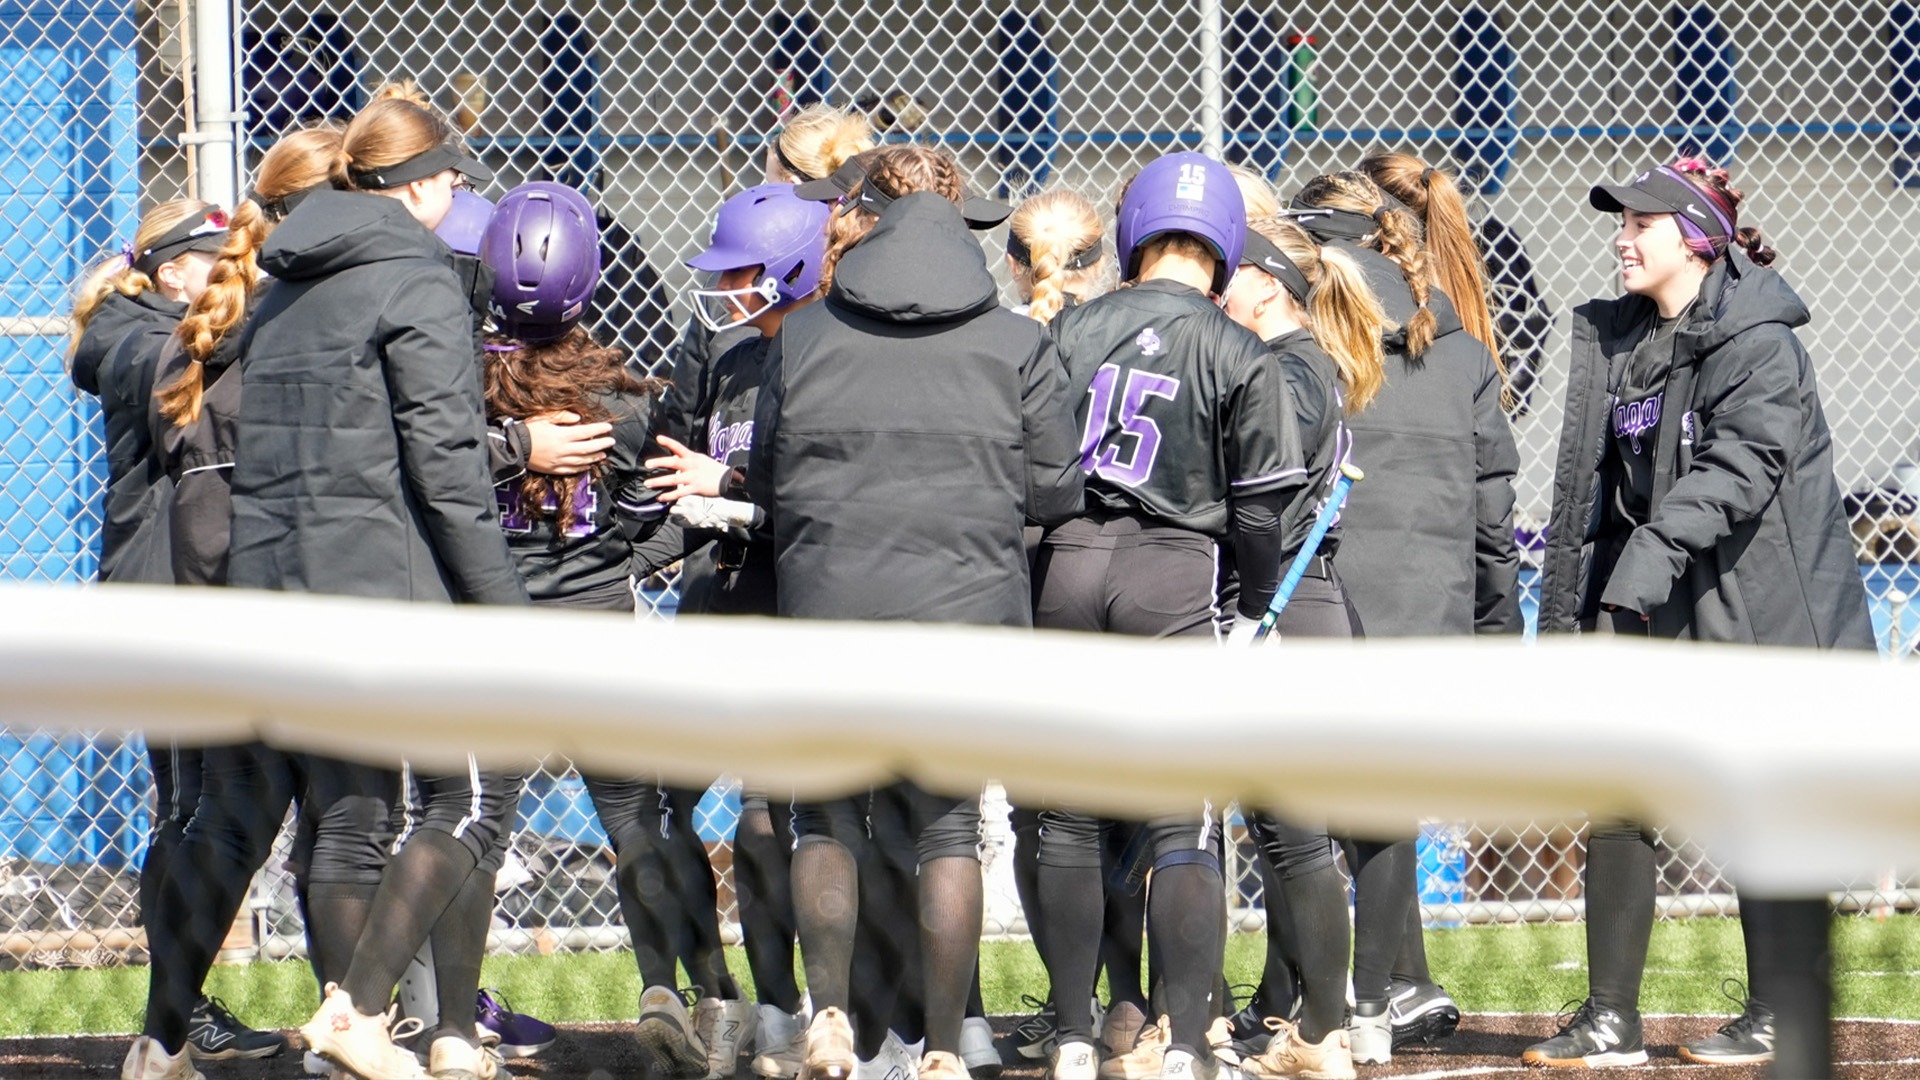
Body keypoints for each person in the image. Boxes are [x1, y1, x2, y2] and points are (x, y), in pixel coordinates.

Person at [1528, 158, 1874, 1070]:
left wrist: (1640, 563)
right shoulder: (1625, 341)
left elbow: (1741, 468)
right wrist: (1579, 597)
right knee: (1619, 796)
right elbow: (1597, 488)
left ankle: (1776, 1012)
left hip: (1761, 613)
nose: (1620, 237)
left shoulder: (1762, 343)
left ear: (1694, 237)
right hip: (1659, 595)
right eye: (1620, 223)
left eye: (1640, 223)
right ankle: (1610, 1021)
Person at [212, 87, 525, 1080]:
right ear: (425, 186)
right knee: (479, 788)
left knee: (349, 821)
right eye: (454, 182)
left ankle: (428, 1039)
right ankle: (366, 1015)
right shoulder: (415, 278)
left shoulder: (291, 278)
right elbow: (448, 467)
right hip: (392, 585)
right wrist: (505, 609)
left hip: (285, 584)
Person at [751, 144, 1081, 1080]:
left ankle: (829, 1018)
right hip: (965, 615)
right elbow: (1055, 494)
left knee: (825, 821)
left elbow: (773, 479)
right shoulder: (1017, 342)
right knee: (946, 831)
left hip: (828, 608)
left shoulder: (806, 336)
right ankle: (943, 1045)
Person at [1036, 151, 1306, 1080]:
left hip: (1068, 567)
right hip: (1173, 575)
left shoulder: (1069, 329)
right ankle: (1185, 1043)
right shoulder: (1240, 349)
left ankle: (1075, 1035)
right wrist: (1256, 613)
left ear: (1134, 231)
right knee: (1181, 825)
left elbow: (1031, 472)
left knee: (1067, 819)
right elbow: (1264, 511)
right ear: (1227, 243)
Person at [116, 132, 340, 1080]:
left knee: (250, 815)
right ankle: (176, 1022)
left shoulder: (261, 317)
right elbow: (208, 491)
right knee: (219, 815)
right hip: (217, 601)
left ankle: (187, 1025)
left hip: (232, 598)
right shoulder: (179, 338)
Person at [1286, 169, 1520, 1067]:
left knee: (1304, 814)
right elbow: (1493, 521)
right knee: (1384, 812)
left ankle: (1310, 1003)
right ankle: (1377, 1003)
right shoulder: (1462, 355)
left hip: (1326, 605)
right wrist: (1495, 633)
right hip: (1430, 616)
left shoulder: (1310, 346)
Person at [639, 181, 831, 1080]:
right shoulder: (720, 353)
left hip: (788, 604)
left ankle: (791, 1011)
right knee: (660, 802)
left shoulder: (834, 353)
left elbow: (823, 501)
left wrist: (741, 496)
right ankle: (721, 992)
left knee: (768, 814)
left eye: (746, 272)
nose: (728, 287)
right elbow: (674, 469)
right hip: (715, 599)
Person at [1217, 215, 1392, 1080]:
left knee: (1296, 833)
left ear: (1269, 285)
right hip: (1294, 604)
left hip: (1289, 604)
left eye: (1230, 271)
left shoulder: (1290, 367)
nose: (1217, 284)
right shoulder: (1287, 363)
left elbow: (1268, 504)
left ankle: (1323, 1031)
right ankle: (1313, 1024)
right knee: (1284, 831)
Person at [68, 200, 225, 584]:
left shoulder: (157, 329)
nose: (234, 268)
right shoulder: (143, 345)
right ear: (171, 274)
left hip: (180, 548)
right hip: (154, 558)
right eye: (218, 259)